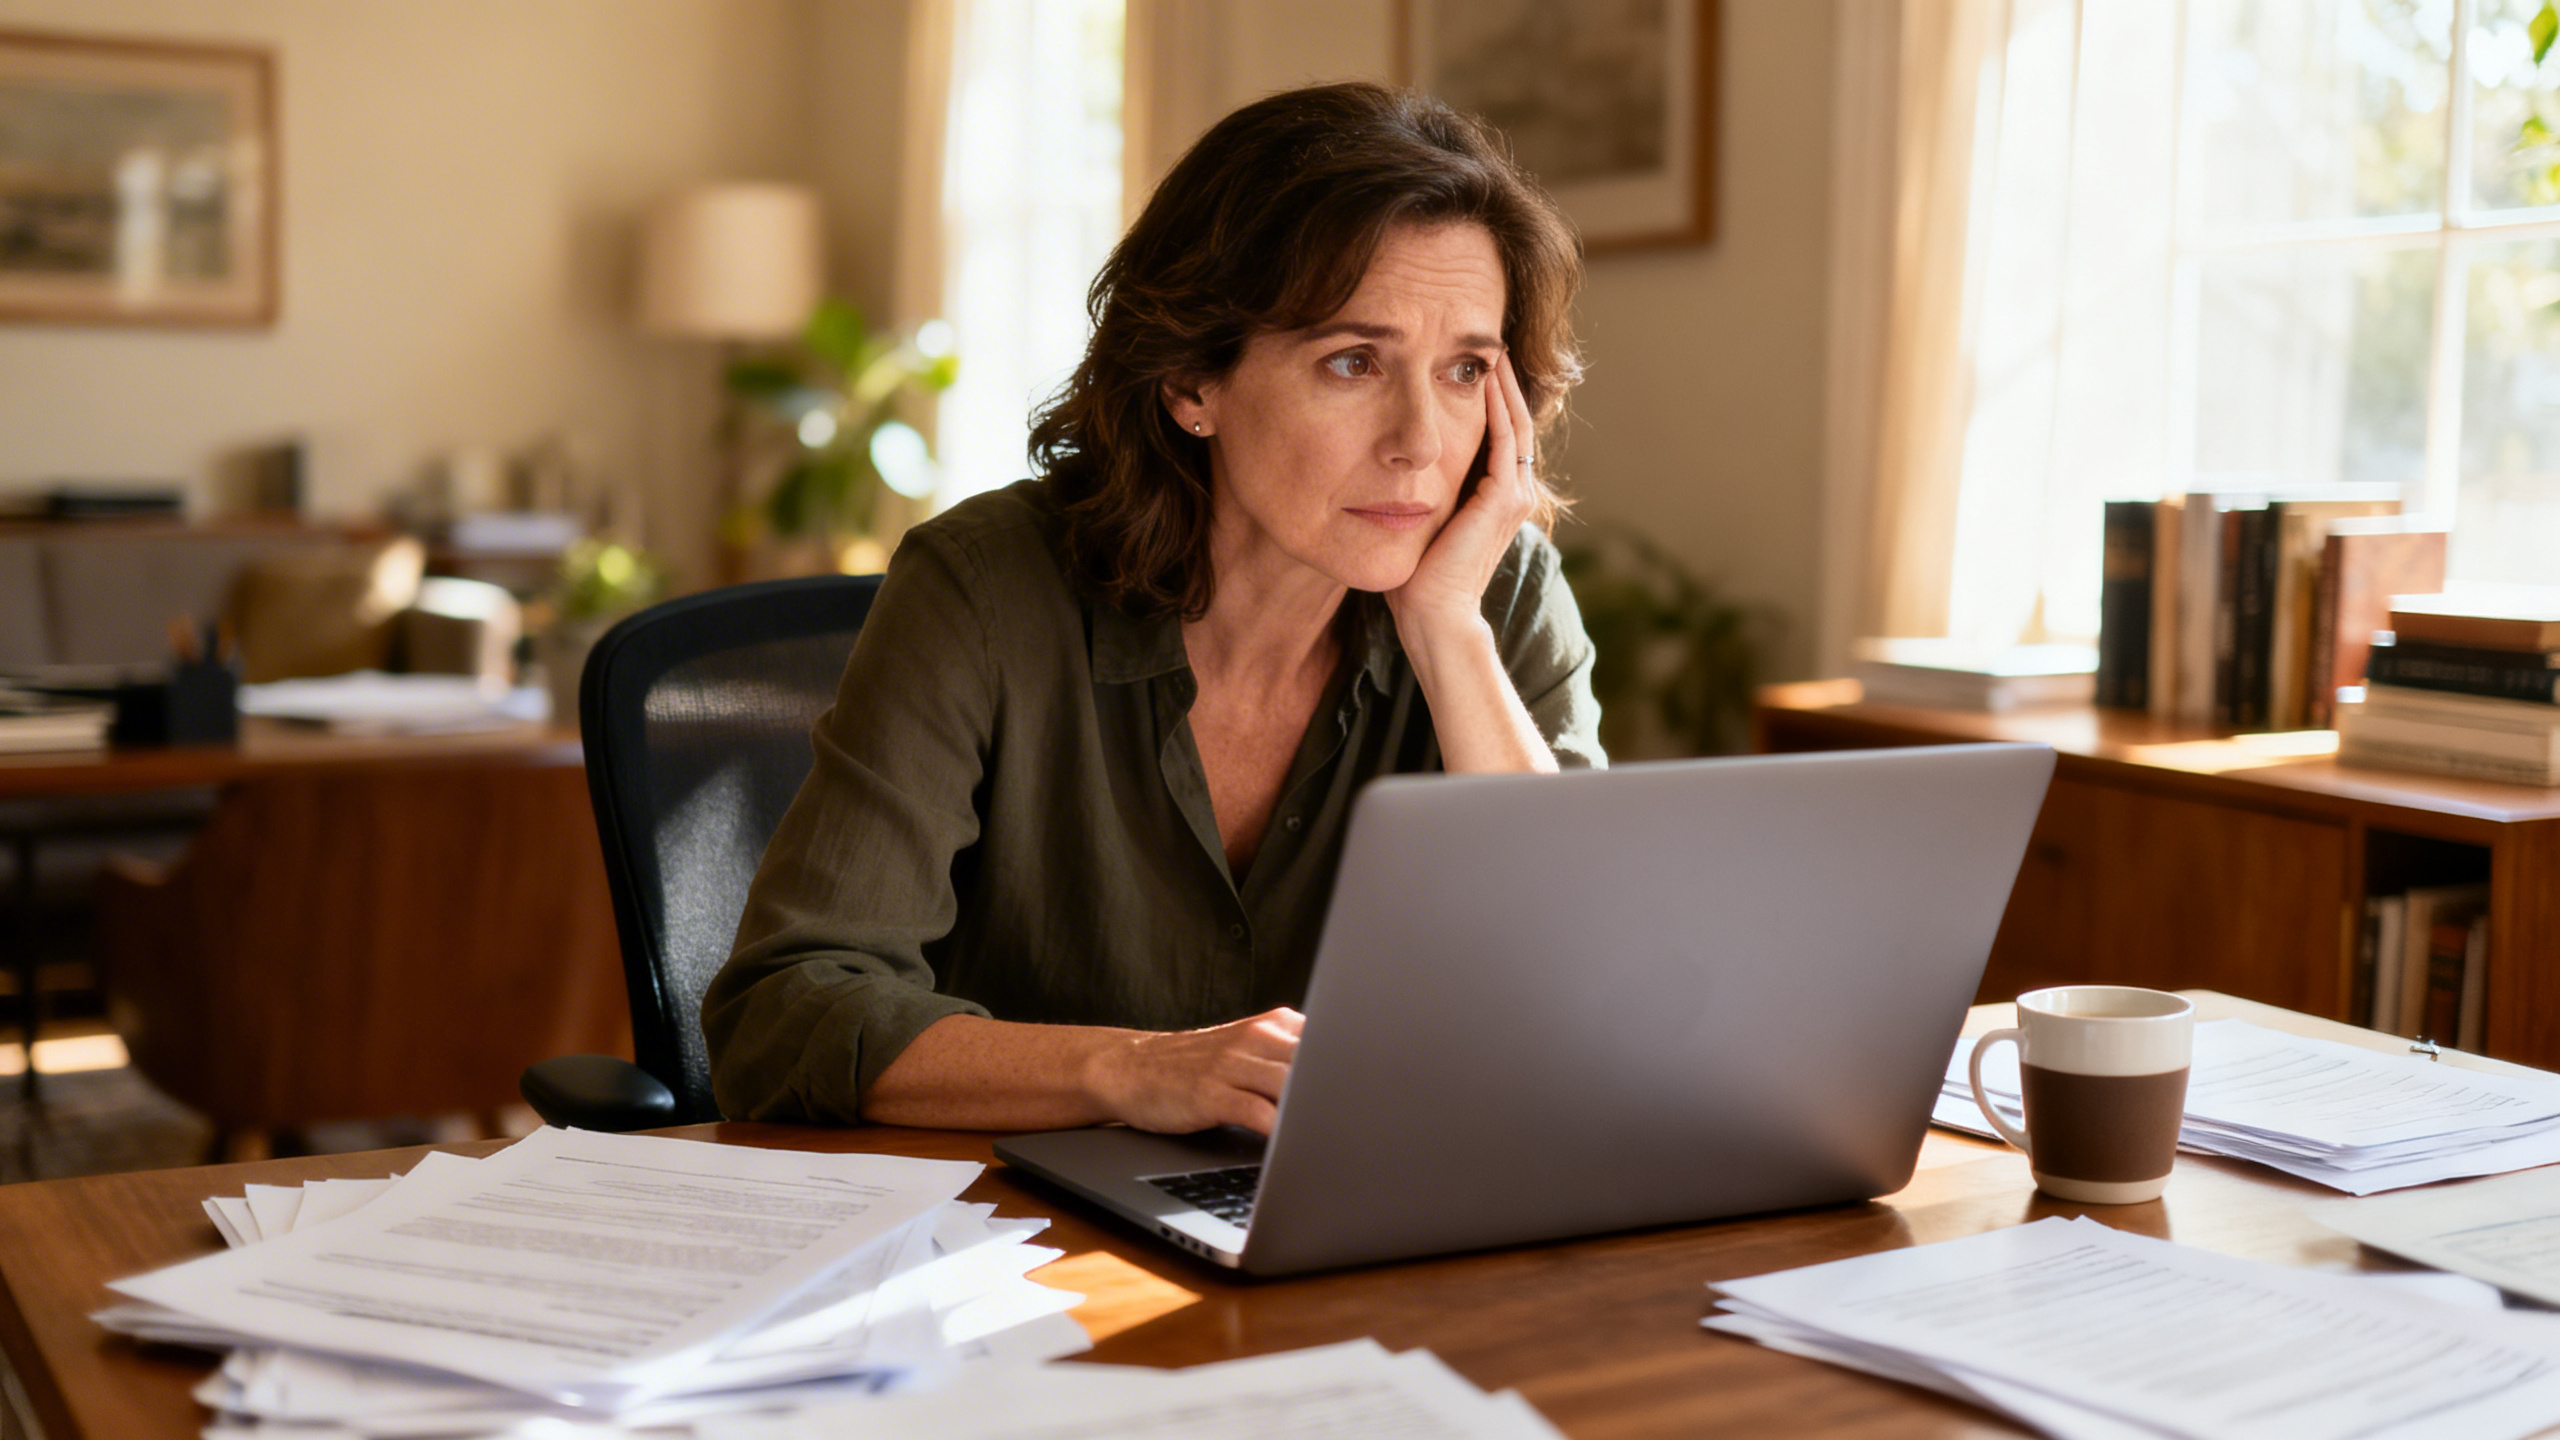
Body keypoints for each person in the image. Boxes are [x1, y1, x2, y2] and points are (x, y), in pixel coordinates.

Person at [703, 80, 1602, 1136]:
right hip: (1014, 1245)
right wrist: (1134, 1070)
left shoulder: (1497, 595)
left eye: (1464, 371)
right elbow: (787, 1013)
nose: (1418, 440)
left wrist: (1447, 631)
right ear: (1191, 382)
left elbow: (1583, 1008)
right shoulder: (984, 590)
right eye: (1353, 362)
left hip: (1357, 1229)